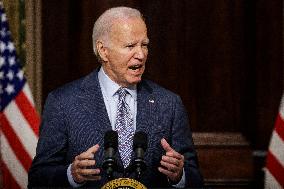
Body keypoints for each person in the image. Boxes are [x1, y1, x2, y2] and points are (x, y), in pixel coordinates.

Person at [28, 6, 203, 188]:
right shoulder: (63, 102)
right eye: (130, 46)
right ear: (103, 51)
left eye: (144, 45)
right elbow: (38, 179)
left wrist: (179, 176)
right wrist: (71, 175)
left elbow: (196, 179)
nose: (141, 54)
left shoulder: (169, 103)